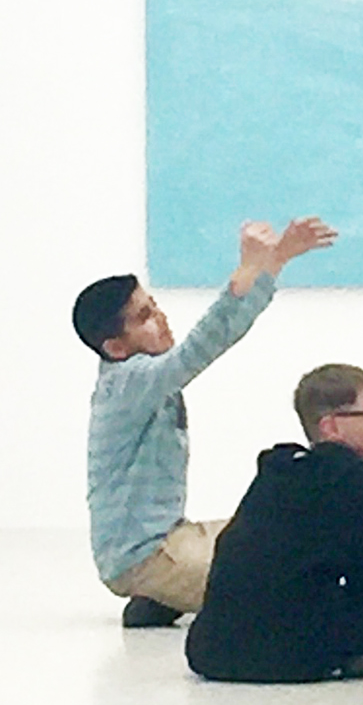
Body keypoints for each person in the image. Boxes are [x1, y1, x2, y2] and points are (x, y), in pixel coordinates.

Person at [72, 216, 336, 628]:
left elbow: (224, 331)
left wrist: (275, 260)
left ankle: (159, 598)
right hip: (145, 556)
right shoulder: (128, 382)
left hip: (173, 537)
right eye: (144, 316)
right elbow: (203, 345)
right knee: (279, 579)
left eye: (154, 305)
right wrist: (246, 272)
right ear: (116, 348)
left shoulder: (146, 377)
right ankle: (155, 587)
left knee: (278, 531)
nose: (161, 318)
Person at [184, 364, 363, 683]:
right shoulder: (351, 478)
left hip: (211, 651)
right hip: (289, 657)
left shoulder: (276, 472)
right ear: (331, 426)